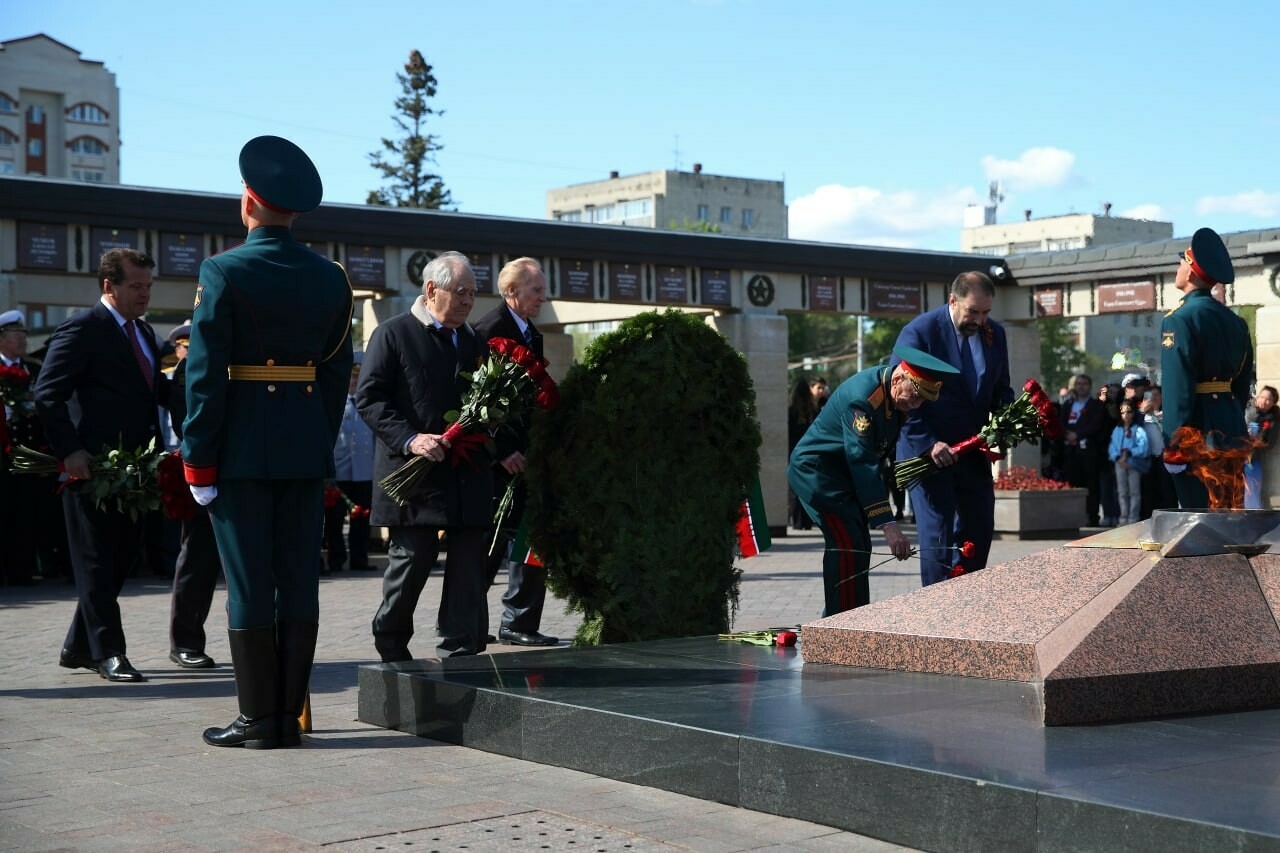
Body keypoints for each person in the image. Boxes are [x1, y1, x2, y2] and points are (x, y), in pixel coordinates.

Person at [181, 136, 354, 748]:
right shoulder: (330, 277)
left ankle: (258, 719)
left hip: (242, 455)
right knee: (298, 579)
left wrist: (198, 461)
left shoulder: (223, 271)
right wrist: (315, 439)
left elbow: (204, 376)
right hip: (304, 450)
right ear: (293, 210)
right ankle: (288, 716)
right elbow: (336, 374)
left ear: (247, 202)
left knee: (251, 582)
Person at [34, 248, 169, 682]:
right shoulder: (82, 327)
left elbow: (154, 393)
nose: (144, 294)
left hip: (135, 473)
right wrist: (70, 450)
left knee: (120, 559)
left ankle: (78, 646)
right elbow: (47, 393)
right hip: (90, 469)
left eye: (148, 286)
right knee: (95, 562)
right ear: (109, 286)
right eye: (136, 286)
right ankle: (108, 651)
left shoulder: (145, 333)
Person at [357, 251, 493, 661]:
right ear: (432, 289)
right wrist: (412, 439)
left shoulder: (472, 341)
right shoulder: (393, 334)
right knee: (413, 560)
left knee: (470, 562)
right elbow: (370, 399)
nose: (470, 301)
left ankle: (461, 644)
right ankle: (392, 644)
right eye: (462, 292)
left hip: (465, 473)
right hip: (414, 474)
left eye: (473, 293)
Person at [788, 346, 960, 614]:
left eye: (921, 401)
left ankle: (851, 617)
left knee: (859, 544)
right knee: (847, 542)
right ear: (897, 380)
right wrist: (888, 525)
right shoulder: (864, 400)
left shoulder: (896, 396)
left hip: (841, 475)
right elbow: (862, 461)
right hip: (818, 474)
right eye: (913, 397)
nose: (915, 405)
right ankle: (840, 625)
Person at [894, 271, 1013, 585]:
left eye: (986, 313)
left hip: (971, 450)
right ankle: (935, 612)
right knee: (939, 533)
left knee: (980, 527)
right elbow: (902, 396)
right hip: (928, 453)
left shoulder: (994, 334)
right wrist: (929, 443)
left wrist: (1007, 419)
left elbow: (1001, 387)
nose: (979, 320)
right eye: (972, 312)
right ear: (952, 301)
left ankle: (966, 602)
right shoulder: (921, 332)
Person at [473, 257, 559, 646]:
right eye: (536, 290)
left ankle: (520, 622)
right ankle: (468, 622)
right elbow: (475, 404)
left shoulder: (531, 334)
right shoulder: (489, 332)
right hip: (498, 466)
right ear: (512, 292)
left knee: (530, 539)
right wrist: (500, 452)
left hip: (530, 459)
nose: (544, 296)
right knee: (488, 549)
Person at [1160, 227, 1253, 508]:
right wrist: (1229, 418)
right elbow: (1241, 382)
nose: (1177, 268)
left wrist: (1175, 444)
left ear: (1189, 272)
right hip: (1232, 427)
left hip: (1197, 434)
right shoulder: (1235, 321)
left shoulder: (1178, 319)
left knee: (1197, 519)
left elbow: (1178, 388)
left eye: (1180, 263)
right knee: (1228, 514)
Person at [163, 322, 221, 669]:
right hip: (209, 470)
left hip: (249, 466)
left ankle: (257, 642)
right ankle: (185, 640)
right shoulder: (191, 364)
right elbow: (185, 419)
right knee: (199, 558)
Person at [323, 352, 376, 573]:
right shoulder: (334, 404)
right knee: (334, 520)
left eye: (357, 377)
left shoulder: (369, 403)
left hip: (364, 472)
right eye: (351, 377)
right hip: (340, 473)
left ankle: (359, 559)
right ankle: (336, 559)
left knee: (362, 520)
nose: (353, 382)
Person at [1061, 374, 1106, 524]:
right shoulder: (1068, 404)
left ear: (1090, 386)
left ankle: (1092, 516)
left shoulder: (1096, 405)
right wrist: (1067, 435)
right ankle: (1073, 516)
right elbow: (1061, 423)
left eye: (1085, 383)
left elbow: (1096, 425)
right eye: (1078, 384)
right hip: (1071, 451)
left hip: (1088, 451)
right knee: (1072, 484)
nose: (1081, 386)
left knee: (1090, 485)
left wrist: (1078, 435)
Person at [1108, 401, 1150, 525]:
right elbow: (1112, 446)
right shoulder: (1117, 429)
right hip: (1119, 463)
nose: (1126, 415)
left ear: (1133, 413)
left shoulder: (1138, 429)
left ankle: (1133, 517)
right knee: (1122, 492)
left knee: (1134, 491)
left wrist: (1129, 454)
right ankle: (1123, 516)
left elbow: (1143, 447)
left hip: (1133, 463)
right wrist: (1117, 457)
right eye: (1123, 412)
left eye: (1129, 412)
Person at [786, 378, 817, 529]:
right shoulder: (814, 411)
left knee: (794, 489)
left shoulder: (790, 412)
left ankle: (797, 522)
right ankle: (808, 520)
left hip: (794, 452)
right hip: (811, 452)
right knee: (809, 487)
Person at [1244, 386, 1278, 509]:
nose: (1263, 401)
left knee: (1254, 492)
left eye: (1268, 399)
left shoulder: (1274, 419)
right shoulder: (1247, 411)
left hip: (1258, 461)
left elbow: (1270, 443)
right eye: (1262, 397)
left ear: (1273, 403)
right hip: (1239, 457)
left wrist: (1259, 439)